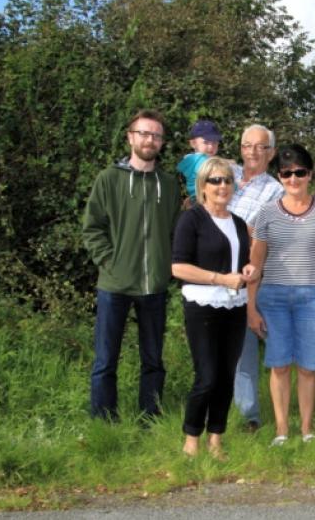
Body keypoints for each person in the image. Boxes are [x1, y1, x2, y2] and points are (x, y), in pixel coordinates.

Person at [82, 109, 180, 420]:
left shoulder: (169, 184)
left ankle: (150, 417)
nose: (150, 140)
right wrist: (109, 261)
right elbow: (92, 228)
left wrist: (168, 266)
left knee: (153, 360)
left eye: (156, 135)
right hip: (115, 284)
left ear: (162, 142)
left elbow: (175, 232)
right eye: (144, 133)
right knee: (105, 360)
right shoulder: (108, 179)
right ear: (130, 137)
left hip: (155, 286)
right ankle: (103, 419)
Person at [247, 143, 315, 446]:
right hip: (273, 298)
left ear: (310, 174)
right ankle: (281, 430)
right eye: (286, 173)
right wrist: (251, 307)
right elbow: (255, 263)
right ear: (279, 177)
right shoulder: (266, 213)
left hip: (314, 298)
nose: (293, 179)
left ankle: (307, 429)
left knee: (308, 366)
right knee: (279, 365)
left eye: (300, 172)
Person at [171, 158, 257, 458]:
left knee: (226, 376)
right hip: (203, 306)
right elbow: (178, 267)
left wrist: (248, 270)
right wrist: (220, 279)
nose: (222, 186)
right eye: (215, 180)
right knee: (206, 377)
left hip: (235, 306)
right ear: (203, 186)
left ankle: (216, 439)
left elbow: (244, 263)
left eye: (227, 180)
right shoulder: (191, 219)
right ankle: (191, 438)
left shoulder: (238, 223)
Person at [229, 125, 284, 432]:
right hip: (217, 276)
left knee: (257, 348)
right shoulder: (226, 175)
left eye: (260, 146)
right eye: (247, 145)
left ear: (271, 153)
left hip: (254, 276)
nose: (252, 151)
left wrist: (227, 225)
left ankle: (258, 415)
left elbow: (262, 236)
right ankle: (234, 413)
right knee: (229, 352)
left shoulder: (275, 190)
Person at [177, 120, 223, 202]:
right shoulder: (201, 161)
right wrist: (236, 186)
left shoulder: (191, 159)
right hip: (205, 201)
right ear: (193, 143)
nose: (211, 146)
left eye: (214, 142)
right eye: (206, 142)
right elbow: (222, 181)